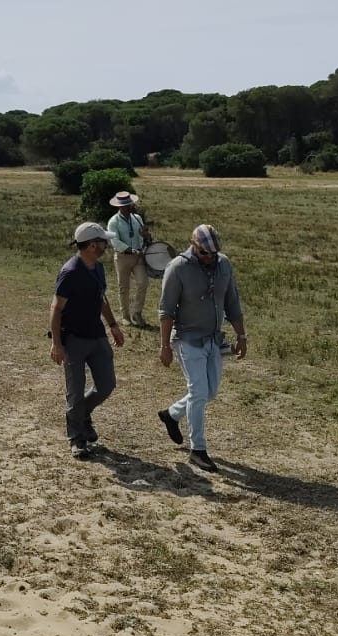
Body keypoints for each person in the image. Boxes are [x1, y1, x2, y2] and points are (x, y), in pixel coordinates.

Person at [156, 224, 248, 473]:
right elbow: (166, 311)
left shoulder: (224, 265)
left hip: (214, 340)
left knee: (209, 393)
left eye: (214, 253)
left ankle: (171, 414)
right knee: (198, 391)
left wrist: (241, 335)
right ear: (194, 246)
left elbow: (232, 302)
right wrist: (164, 346)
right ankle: (198, 450)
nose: (211, 257)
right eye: (205, 253)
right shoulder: (178, 268)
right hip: (187, 339)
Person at [50, 222, 126, 459]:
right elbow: (56, 308)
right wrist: (56, 343)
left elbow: (101, 298)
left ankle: (82, 415)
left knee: (106, 385)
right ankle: (77, 438)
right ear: (92, 245)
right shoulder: (70, 272)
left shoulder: (98, 269)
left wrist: (112, 325)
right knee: (75, 391)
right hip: (74, 339)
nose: (106, 245)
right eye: (103, 242)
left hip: (97, 336)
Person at [106, 191, 151, 327]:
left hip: (138, 257)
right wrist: (129, 249)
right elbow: (114, 240)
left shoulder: (137, 218)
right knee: (124, 287)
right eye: (123, 205)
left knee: (143, 283)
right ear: (118, 206)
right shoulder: (113, 221)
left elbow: (141, 236)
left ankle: (137, 313)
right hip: (122, 257)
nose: (126, 207)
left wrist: (146, 237)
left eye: (128, 204)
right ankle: (125, 316)